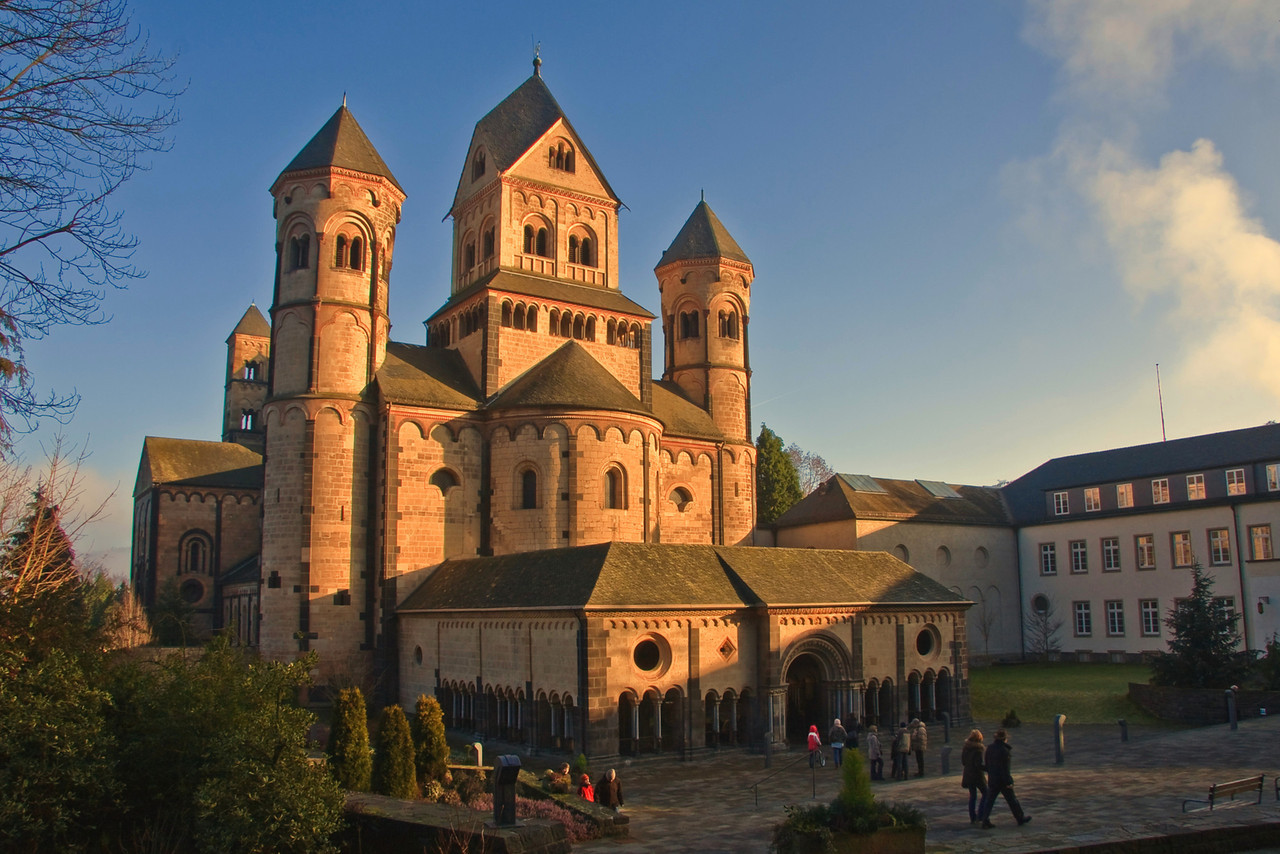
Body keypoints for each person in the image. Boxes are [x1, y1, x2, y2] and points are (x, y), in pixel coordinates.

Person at [978, 729, 1031, 828]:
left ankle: (985, 820)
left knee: (989, 801)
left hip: (993, 779)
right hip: (1002, 781)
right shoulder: (1005, 751)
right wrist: (1009, 782)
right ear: (1005, 739)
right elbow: (1005, 769)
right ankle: (1020, 818)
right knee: (1012, 800)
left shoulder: (990, 748)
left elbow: (988, 765)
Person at [960, 729, 988, 824]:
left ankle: (972, 817)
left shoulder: (966, 747)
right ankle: (980, 814)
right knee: (986, 793)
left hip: (968, 774)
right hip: (977, 775)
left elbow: (963, 762)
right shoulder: (978, 750)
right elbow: (978, 765)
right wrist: (988, 768)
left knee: (973, 796)